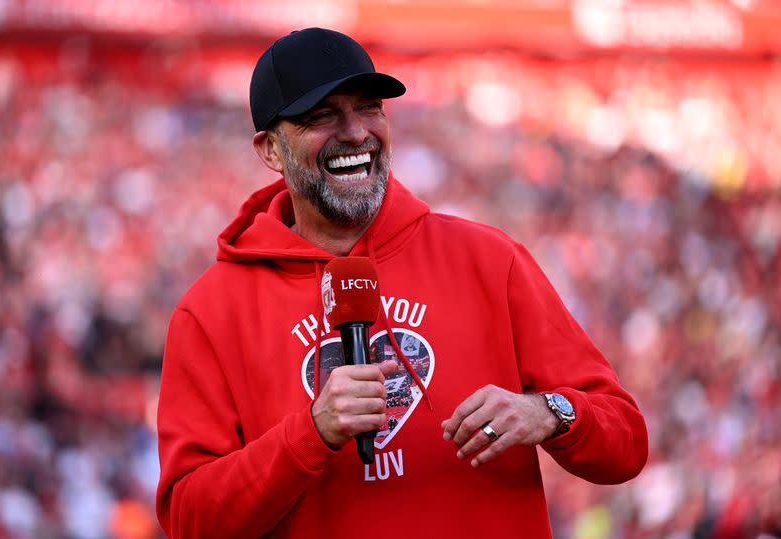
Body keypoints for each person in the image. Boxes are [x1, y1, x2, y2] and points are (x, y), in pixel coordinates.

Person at [155, 27, 648, 539]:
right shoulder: (210, 312)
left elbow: (626, 444)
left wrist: (548, 411)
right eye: (321, 115)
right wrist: (311, 433)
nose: (354, 132)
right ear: (271, 151)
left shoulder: (490, 261)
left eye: (369, 108)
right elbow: (190, 521)